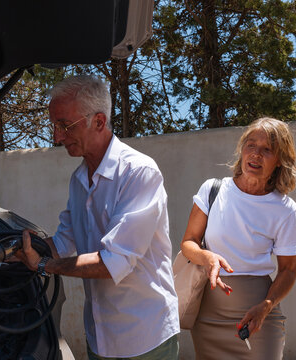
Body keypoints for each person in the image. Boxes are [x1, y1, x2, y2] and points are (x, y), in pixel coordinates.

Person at [16, 75, 180, 359]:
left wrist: (45, 265)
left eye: (65, 125)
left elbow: (113, 262)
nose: (57, 137)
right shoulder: (79, 179)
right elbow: (62, 243)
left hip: (145, 338)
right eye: (54, 126)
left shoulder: (138, 172)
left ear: (100, 122)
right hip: (99, 338)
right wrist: (10, 252)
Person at [180, 117, 296, 359]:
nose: (256, 154)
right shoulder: (213, 190)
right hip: (208, 315)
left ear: (279, 160)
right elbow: (188, 243)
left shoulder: (286, 209)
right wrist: (207, 257)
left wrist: (266, 307)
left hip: (258, 315)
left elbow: (289, 271)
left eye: (267, 149)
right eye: (251, 144)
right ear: (242, 149)